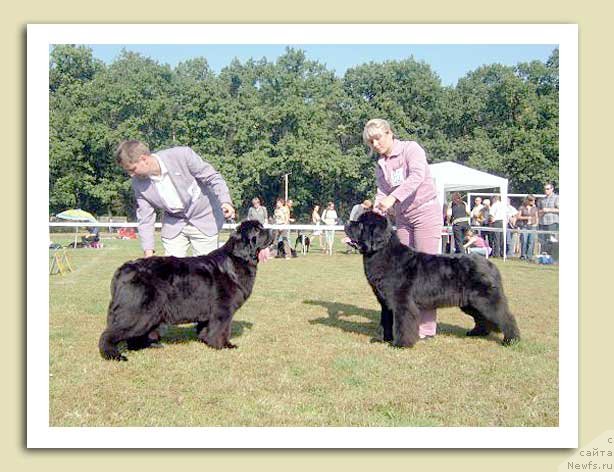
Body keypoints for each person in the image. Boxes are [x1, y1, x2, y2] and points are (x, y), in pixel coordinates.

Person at [363, 118, 442, 340]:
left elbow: (418, 176)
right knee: (404, 275)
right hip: (402, 218)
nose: (375, 144)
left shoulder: (411, 149)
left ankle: (427, 328)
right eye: (371, 142)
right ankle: (407, 324)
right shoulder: (381, 164)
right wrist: (378, 209)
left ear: (389, 133)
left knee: (427, 272)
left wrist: (392, 198)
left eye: (377, 138)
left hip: (425, 212)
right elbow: (381, 191)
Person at [115, 140, 235, 258]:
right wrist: (148, 251)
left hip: (205, 219)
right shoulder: (138, 183)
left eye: (132, 169)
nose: (131, 175)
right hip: (174, 226)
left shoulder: (182, 155)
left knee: (205, 274)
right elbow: (145, 217)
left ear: (144, 159)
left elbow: (213, 178)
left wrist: (226, 202)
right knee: (171, 275)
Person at [538, 183, 559, 256]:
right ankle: (543, 257)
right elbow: (539, 210)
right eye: (545, 189)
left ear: (552, 189)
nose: (546, 190)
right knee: (543, 241)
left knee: (552, 240)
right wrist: (541, 212)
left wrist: (548, 210)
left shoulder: (557, 198)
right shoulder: (542, 199)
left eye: (547, 189)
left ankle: (553, 257)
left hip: (552, 222)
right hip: (542, 223)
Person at [516, 195, 539, 260]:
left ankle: (530, 256)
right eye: (531, 200)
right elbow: (518, 217)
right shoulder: (522, 208)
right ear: (527, 200)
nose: (533, 202)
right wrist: (527, 218)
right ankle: (523, 255)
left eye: (534, 200)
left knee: (531, 241)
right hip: (524, 226)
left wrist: (536, 224)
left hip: (532, 226)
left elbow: (536, 217)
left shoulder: (535, 208)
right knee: (524, 240)